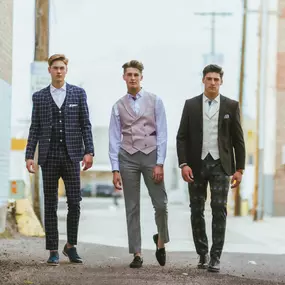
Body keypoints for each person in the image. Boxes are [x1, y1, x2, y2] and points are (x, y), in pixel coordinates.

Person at [25, 54, 94, 266]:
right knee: (51, 204)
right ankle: (53, 250)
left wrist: (89, 151)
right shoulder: (40, 97)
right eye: (55, 68)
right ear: (49, 70)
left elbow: (85, 125)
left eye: (62, 68)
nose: (58, 71)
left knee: (74, 202)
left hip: (72, 155)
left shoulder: (78, 94)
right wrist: (29, 155)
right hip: (49, 156)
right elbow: (34, 127)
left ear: (66, 70)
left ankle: (71, 246)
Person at [176, 64, 245, 272]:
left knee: (219, 209)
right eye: (209, 79)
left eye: (216, 79)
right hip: (196, 165)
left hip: (221, 165)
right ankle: (202, 253)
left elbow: (238, 140)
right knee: (196, 210)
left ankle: (216, 256)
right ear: (203, 80)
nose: (213, 83)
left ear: (221, 81)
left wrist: (239, 169)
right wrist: (184, 163)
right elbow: (182, 137)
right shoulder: (191, 105)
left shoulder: (231, 106)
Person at [108, 60, 169, 268]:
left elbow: (162, 133)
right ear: (124, 77)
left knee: (160, 204)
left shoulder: (155, 101)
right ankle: (137, 253)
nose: (132, 78)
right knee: (132, 207)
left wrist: (160, 163)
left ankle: (160, 242)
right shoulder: (117, 106)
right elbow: (114, 138)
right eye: (129, 74)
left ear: (141, 77)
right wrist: (115, 168)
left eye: (136, 74)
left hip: (151, 155)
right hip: (128, 157)